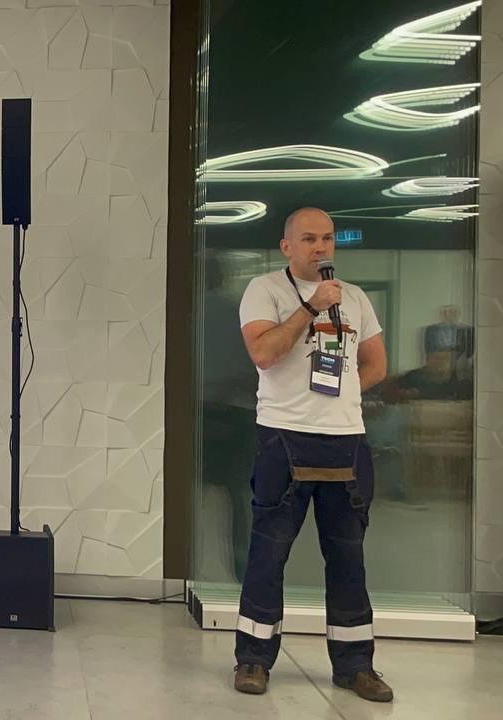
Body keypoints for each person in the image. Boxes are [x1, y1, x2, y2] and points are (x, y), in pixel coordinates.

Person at [231, 208, 393, 702]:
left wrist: (340, 396)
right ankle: (253, 659)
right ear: (287, 246)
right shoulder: (265, 290)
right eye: (308, 239)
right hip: (284, 437)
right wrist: (311, 307)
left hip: (345, 440)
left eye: (326, 238)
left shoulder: (355, 298)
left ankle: (355, 665)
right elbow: (263, 353)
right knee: (269, 552)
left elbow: (376, 365)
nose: (320, 247)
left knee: (347, 557)